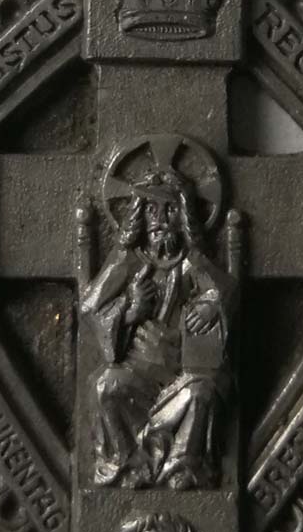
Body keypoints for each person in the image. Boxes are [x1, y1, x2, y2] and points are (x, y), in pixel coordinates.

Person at [80, 167, 237, 489]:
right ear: (139, 215)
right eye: (152, 209)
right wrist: (129, 310)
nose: (161, 220)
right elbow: (90, 307)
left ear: (185, 216)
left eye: (171, 210)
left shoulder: (191, 262)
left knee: (201, 392)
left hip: (182, 373)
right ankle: (128, 465)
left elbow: (227, 292)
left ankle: (182, 467)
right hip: (138, 373)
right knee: (105, 386)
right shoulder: (128, 261)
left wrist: (210, 306)